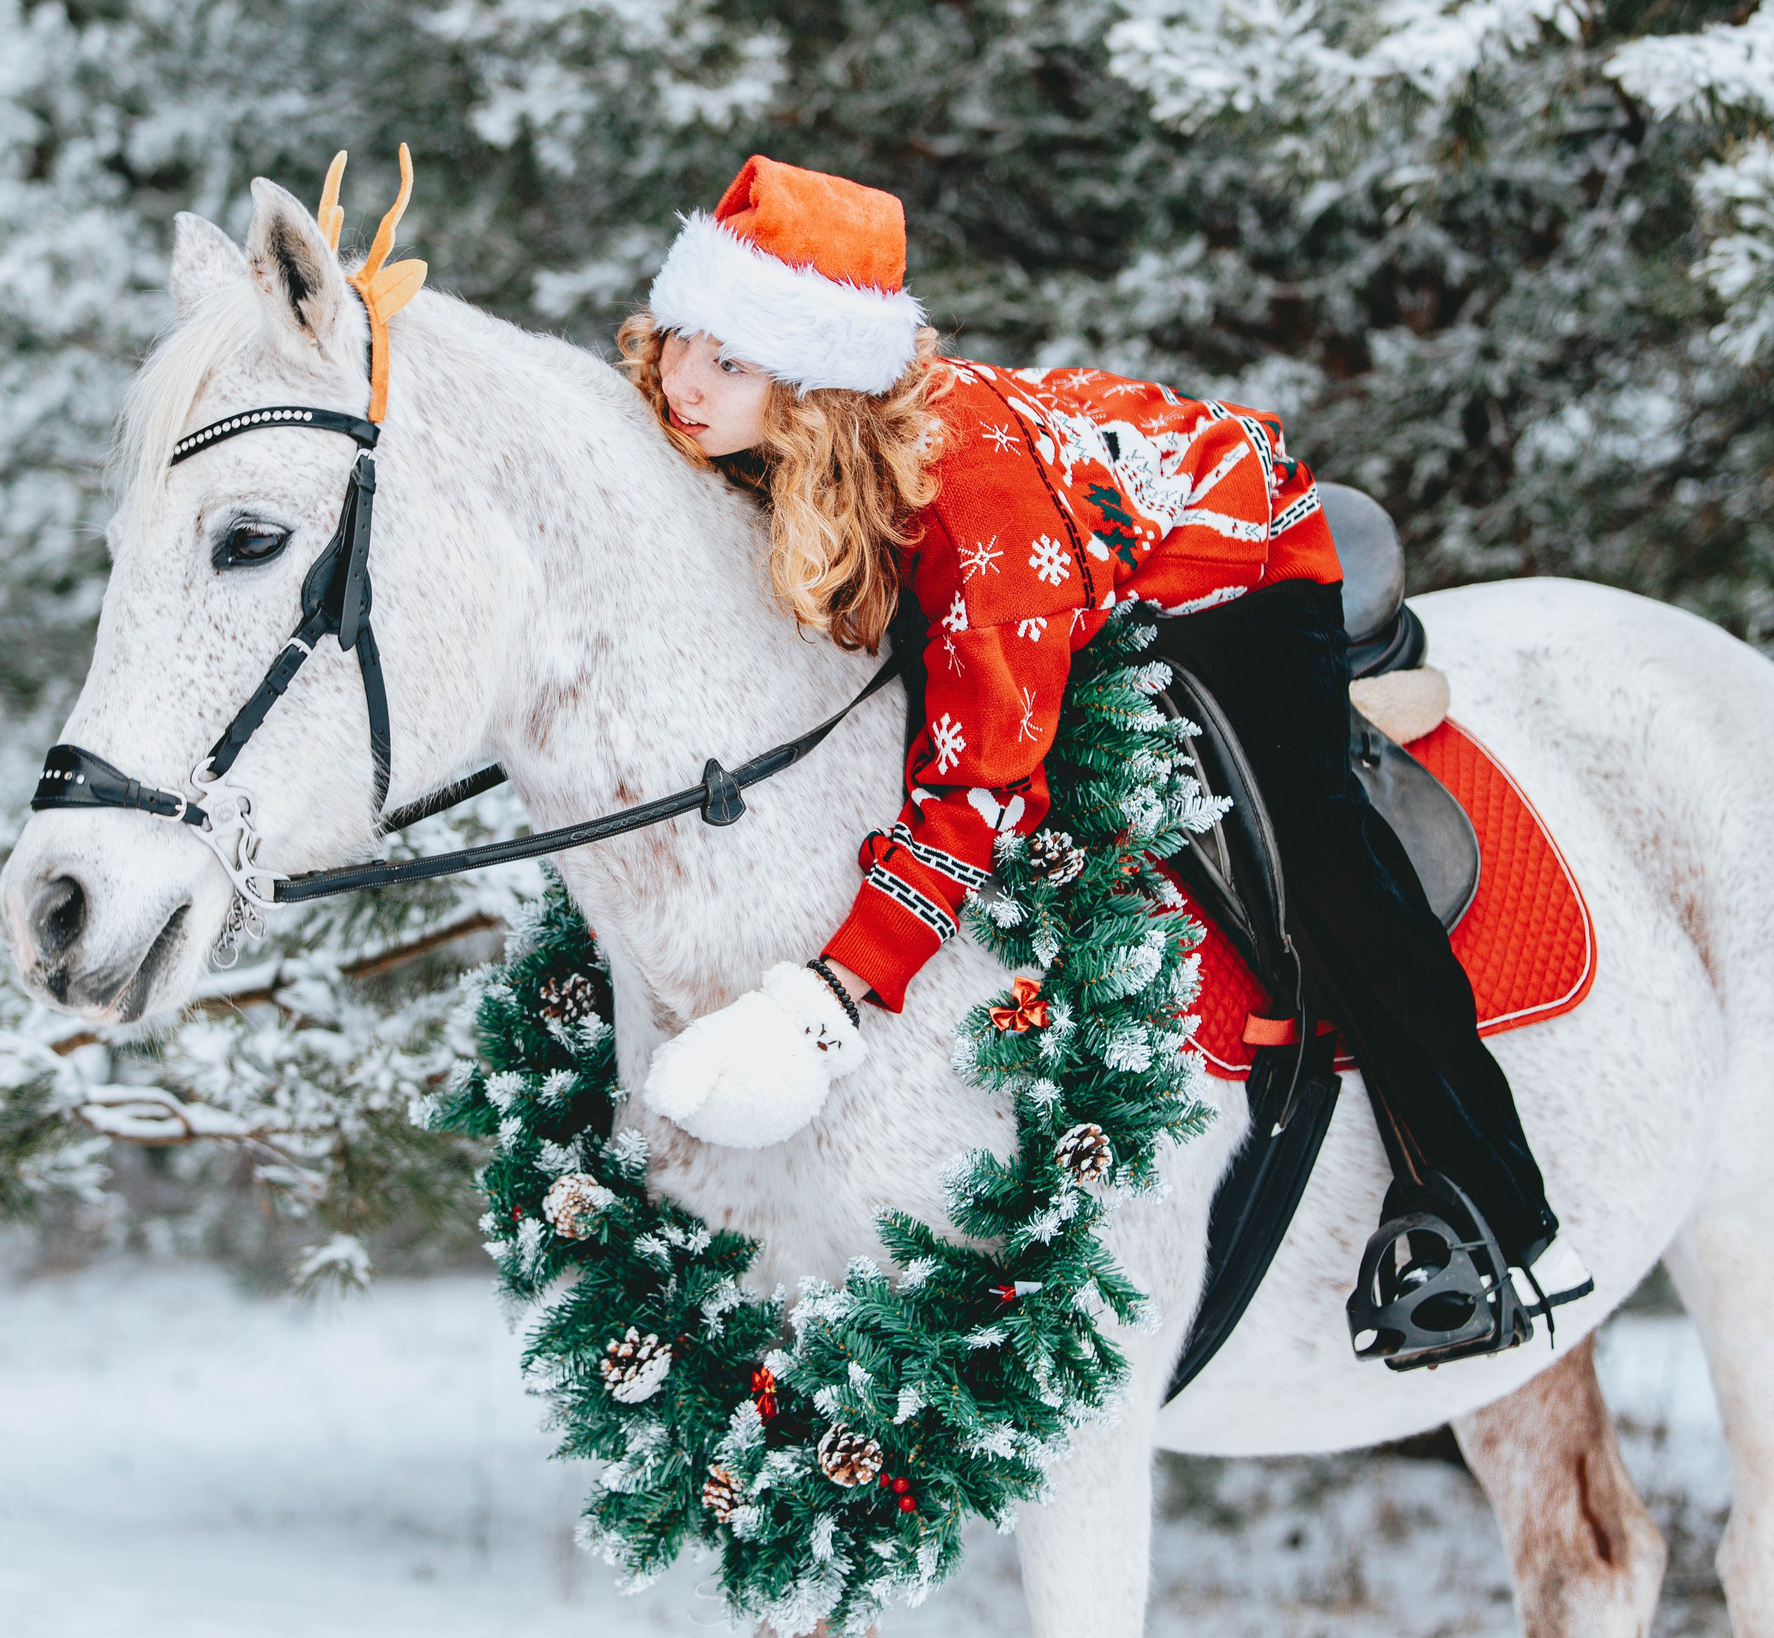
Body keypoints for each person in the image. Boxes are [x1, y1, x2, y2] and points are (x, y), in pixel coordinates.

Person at [630, 156, 1589, 1366]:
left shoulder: (975, 511)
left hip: (1227, 553)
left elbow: (981, 782)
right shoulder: (723, 428)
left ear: (815, 382)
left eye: (732, 360)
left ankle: (1490, 1202)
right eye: (682, 340)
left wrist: (831, 1001)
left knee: (1318, 848)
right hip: (1057, 518)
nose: (684, 381)